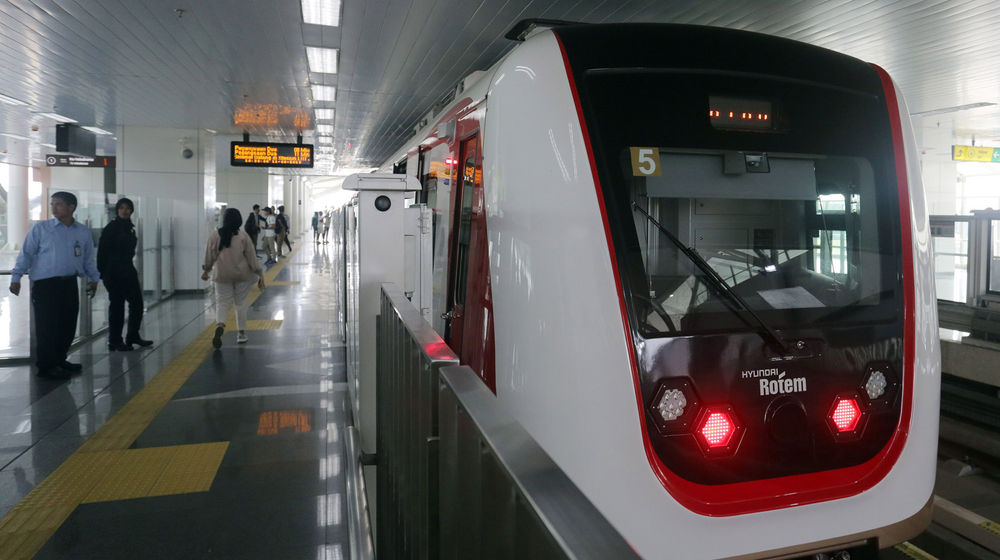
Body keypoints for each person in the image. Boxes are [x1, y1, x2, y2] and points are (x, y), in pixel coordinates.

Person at [10, 191, 100, 379]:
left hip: (69, 284)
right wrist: (16, 277)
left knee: (67, 325)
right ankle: (46, 366)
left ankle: (59, 360)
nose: (53, 208)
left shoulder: (82, 232)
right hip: (46, 285)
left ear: (71, 207)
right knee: (47, 326)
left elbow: (88, 259)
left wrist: (94, 279)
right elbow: (26, 254)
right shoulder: (41, 229)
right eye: (52, 204)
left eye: (58, 204)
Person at [202, 208, 265, 348]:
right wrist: (259, 273)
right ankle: (241, 334)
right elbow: (252, 258)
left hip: (221, 275)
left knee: (222, 303)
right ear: (239, 221)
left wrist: (206, 271)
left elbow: (209, 257)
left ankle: (220, 325)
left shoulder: (214, 236)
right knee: (241, 304)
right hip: (242, 275)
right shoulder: (243, 236)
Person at [97, 197, 152, 351]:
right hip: (113, 272)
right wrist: (102, 273)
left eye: (127, 208)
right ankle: (115, 340)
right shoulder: (112, 228)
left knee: (137, 303)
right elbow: (102, 251)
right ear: (117, 210)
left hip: (127, 270)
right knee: (117, 306)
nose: (124, 211)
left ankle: (133, 335)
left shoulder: (130, 227)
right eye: (121, 208)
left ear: (131, 210)